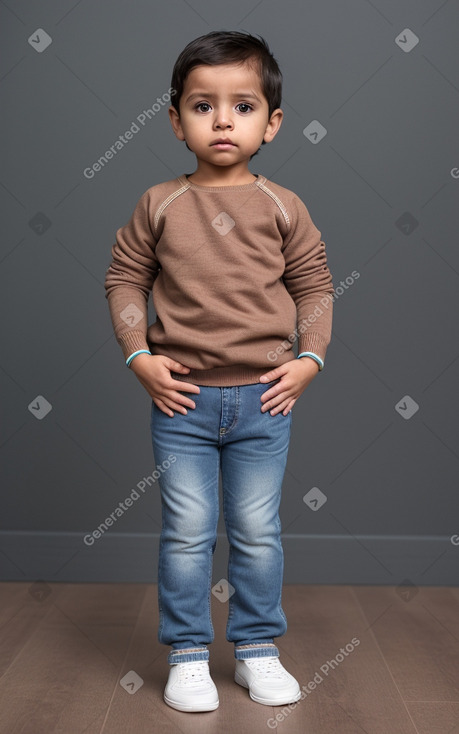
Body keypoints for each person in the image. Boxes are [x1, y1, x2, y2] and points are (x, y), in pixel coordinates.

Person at [104, 30, 334, 713]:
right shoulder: (159, 204)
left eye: (243, 105)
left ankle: (258, 649)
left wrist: (310, 360)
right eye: (203, 105)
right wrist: (138, 356)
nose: (224, 119)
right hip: (183, 405)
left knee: (258, 530)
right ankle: (188, 654)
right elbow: (123, 281)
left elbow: (315, 288)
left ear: (272, 123)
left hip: (264, 403)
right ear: (176, 121)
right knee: (187, 529)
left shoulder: (282, 205)